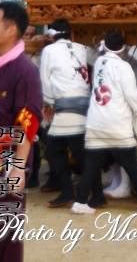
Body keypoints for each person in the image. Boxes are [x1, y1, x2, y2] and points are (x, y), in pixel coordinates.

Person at [0, 1, 42, 262]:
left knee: (4, 237)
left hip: (6, 164)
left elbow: (28, 121)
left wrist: (18, 168)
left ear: (11, 29)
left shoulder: (25, 71)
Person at [71, 30, 137, 214]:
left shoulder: (99, 62)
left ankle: (80, 201)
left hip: (96, 121)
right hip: (116, 123)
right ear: (123, 48)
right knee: (131, 164)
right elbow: (131, 95)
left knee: (92, 165)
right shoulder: (123, 67)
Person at [40, 18, 90, 208]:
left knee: (53, 151)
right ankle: (94, 192)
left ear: (51, 34)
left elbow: (44, 78)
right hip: (85, 104)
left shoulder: (49, 50)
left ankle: (69, 192)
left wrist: (49, 102)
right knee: (80, 152)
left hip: (63, 105)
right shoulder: (81, 48)